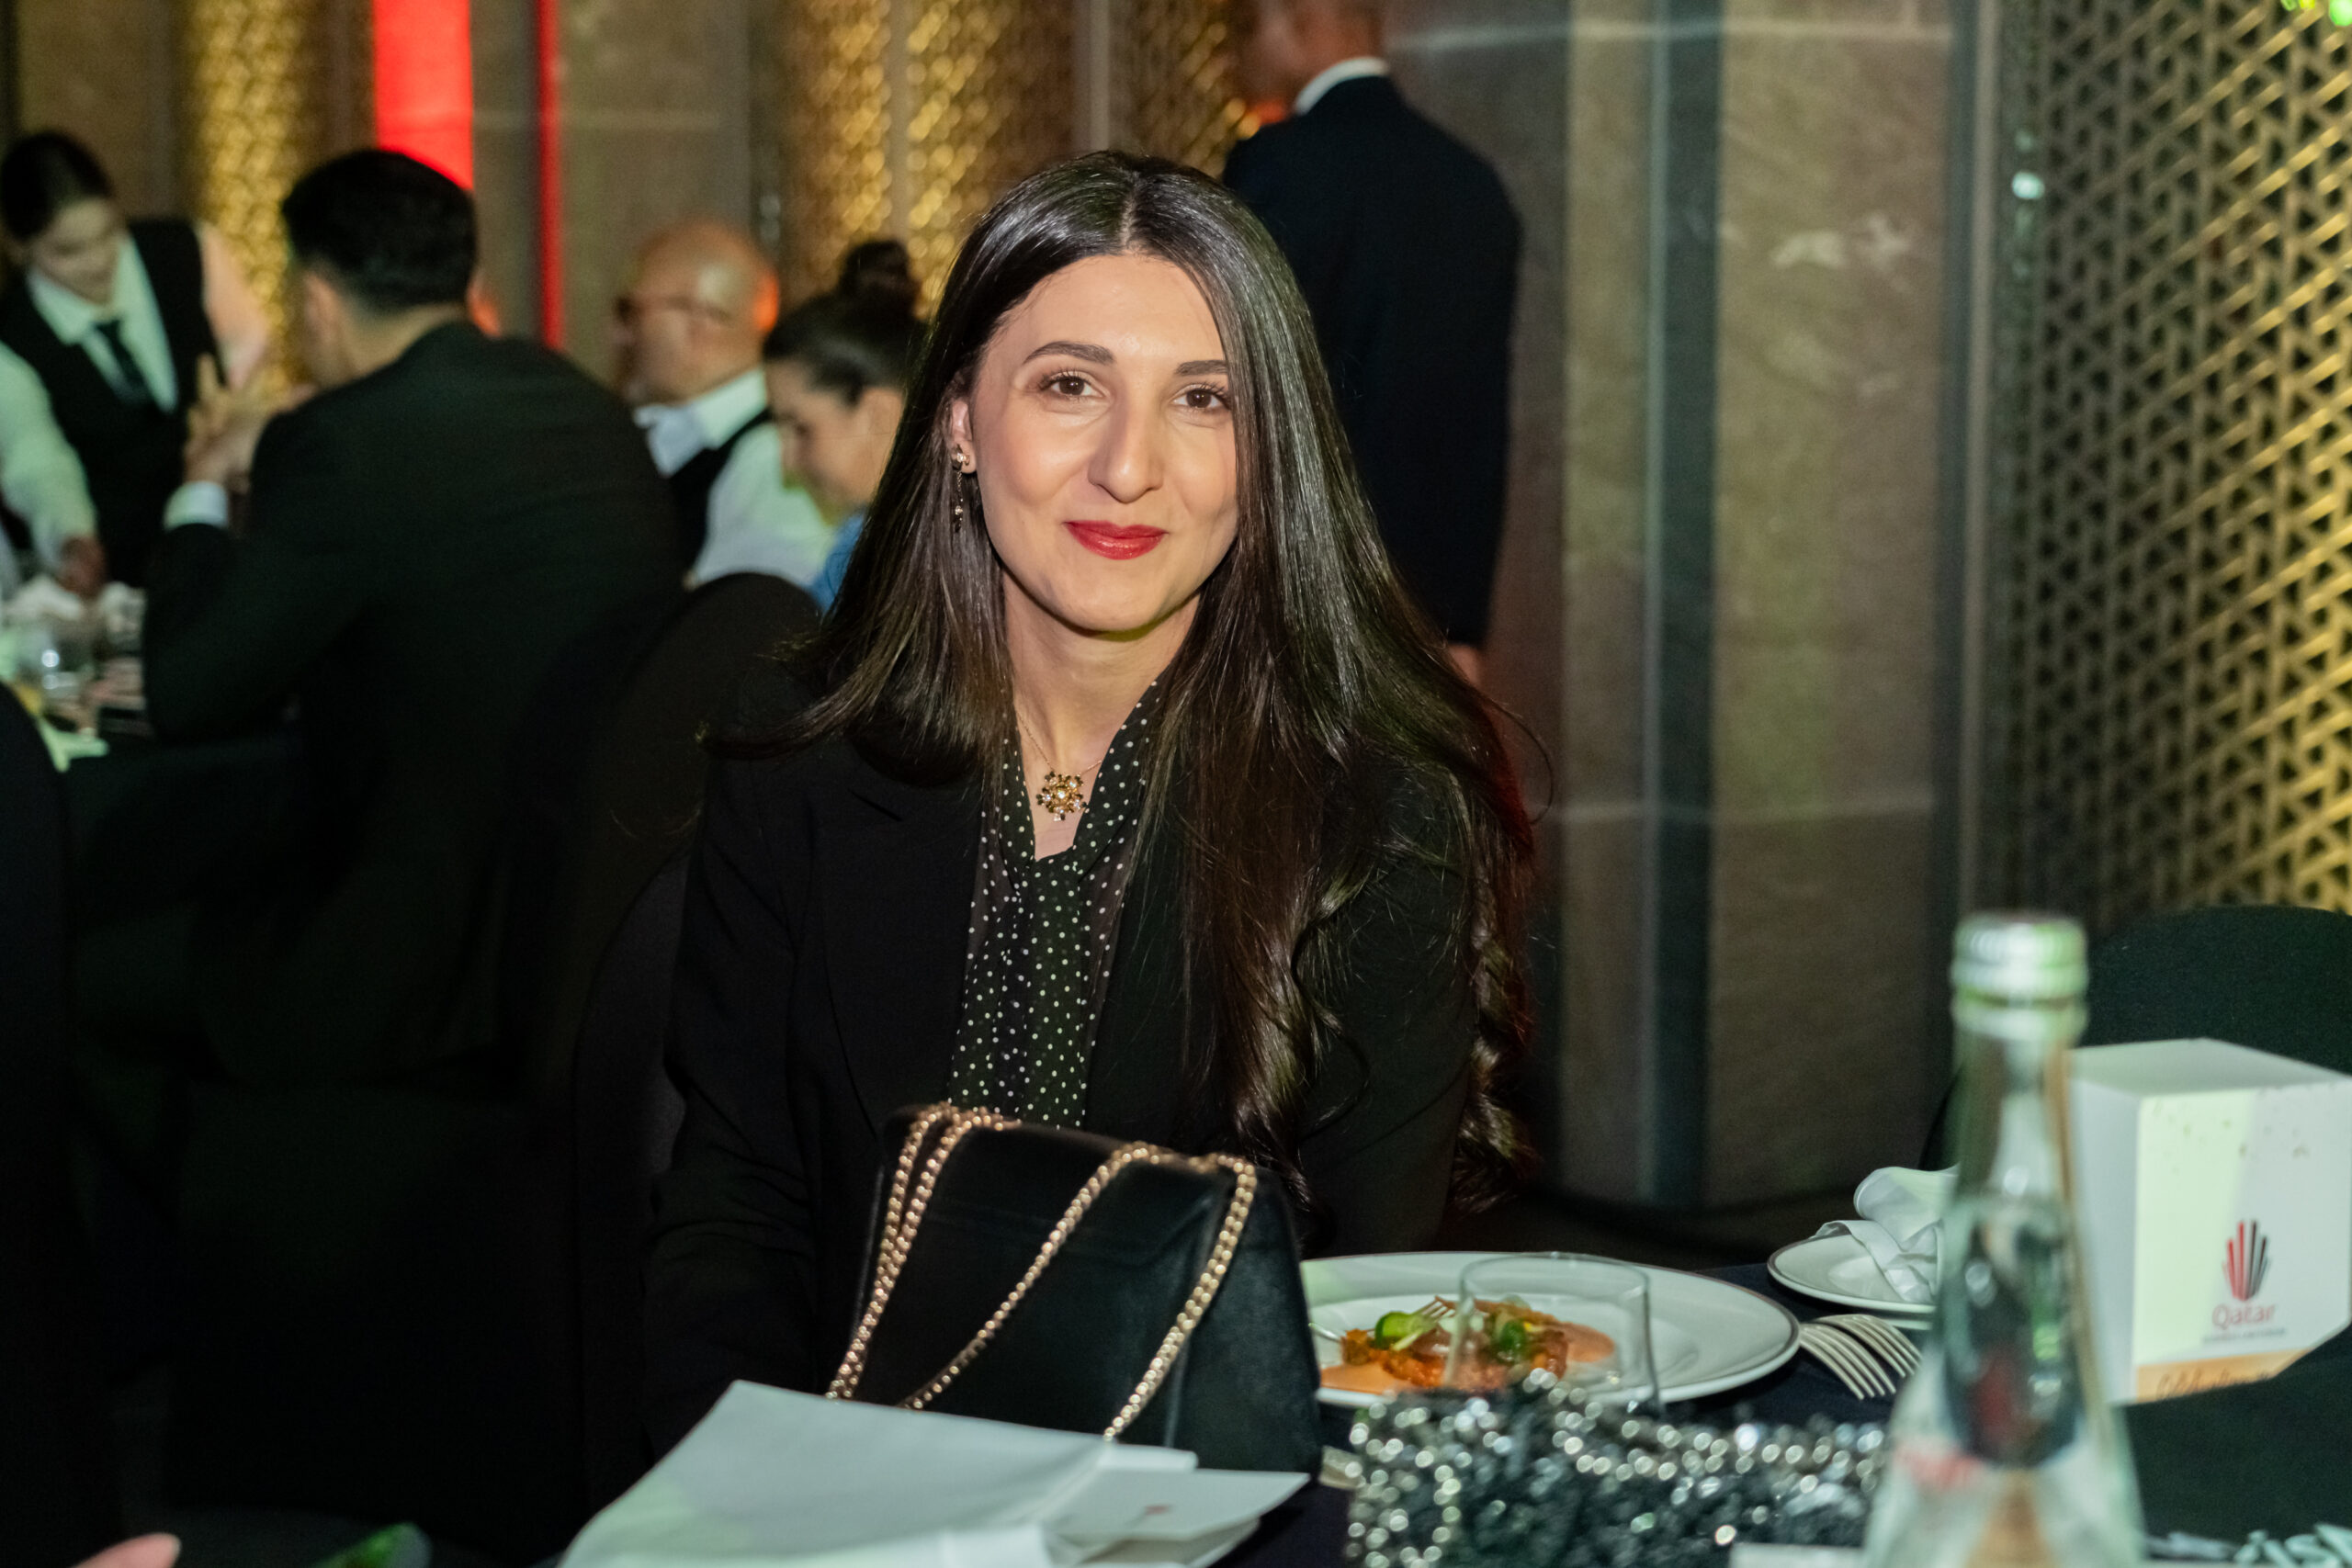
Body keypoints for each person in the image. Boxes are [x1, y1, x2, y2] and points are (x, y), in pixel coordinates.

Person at [642, 152, 1534, 1450]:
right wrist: (758, 1491)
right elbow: (740, 1207)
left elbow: (1358, 1312)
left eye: (1205, 400)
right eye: (1070, 386)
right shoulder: (803, 753)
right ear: (957, 417)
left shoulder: (1377, 808)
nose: (1131, 467)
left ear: (1268, 451)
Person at [106, 148, 673, 1095]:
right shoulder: (587, 406)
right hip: (591, 920)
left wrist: (200, 487)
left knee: (71, 972)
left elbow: (189, 692)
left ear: (319, 301)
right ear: (468, 278)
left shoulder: (343, 441)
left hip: (410, 946)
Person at [1221, 0, 1521, 685]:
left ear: (1294, 21)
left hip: (1292, 594)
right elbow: (1482, 426)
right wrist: (1463, 628)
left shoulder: (1279, 166)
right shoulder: (1473, 184)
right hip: (1425, 614)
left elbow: (1235, 377)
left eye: (1247, 27)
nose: (1235, 55)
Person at [0, 130, 269, 589]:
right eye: (68, 251)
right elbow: (37, 460)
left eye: (109, 234)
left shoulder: (188, 251)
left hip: (228, 529)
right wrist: (73, 538)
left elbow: (250, 351)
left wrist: (237, 419)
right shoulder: (13, 334)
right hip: (121, 563)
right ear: (18, 248)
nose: (98, 261)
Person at [616, 220, 834, 589]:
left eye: (631, 311)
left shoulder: (771, 456)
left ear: (698, 321)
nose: (621, 334)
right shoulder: (655, 433)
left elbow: (752, 612)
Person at [761, 238, 925, 611]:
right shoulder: (862, 543)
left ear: (879, 414)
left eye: (800, 429)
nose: (788, 463)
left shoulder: (933, 558)